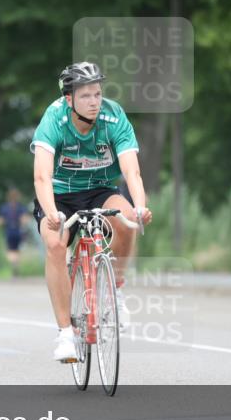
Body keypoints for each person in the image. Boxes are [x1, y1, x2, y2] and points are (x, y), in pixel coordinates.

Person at [31, 62, 151, 362]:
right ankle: (65, 335)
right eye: (85, 96)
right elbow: (41, 177)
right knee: (56, 244)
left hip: (99, 188)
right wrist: (51, 213)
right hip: (58, 194)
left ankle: (116, 289)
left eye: (97, 94)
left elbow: (131, 171)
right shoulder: (54, 119)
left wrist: (139, 206)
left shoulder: (113, 116)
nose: (94, 101)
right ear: (69, 99)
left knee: (125, 222)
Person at [0, 188, 29, 277]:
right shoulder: (21, 207)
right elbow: (25, 219)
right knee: (17, 250)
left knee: (11, 250)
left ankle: (13, 264)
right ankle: (15, 265)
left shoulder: (5, 208)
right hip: (17, 231)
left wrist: (1, 222)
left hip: (10, 231)